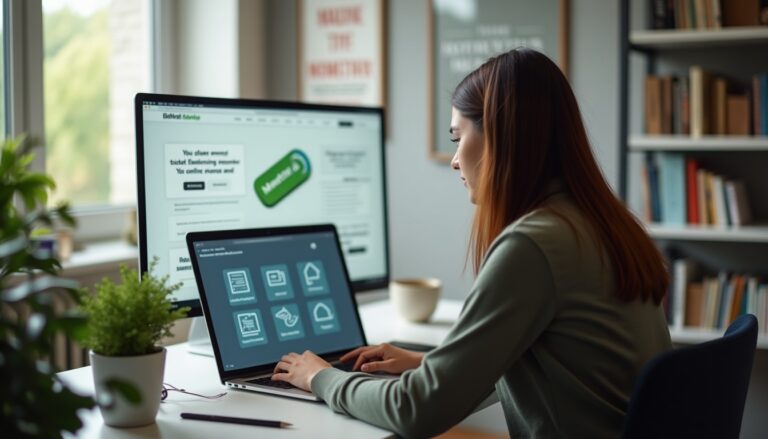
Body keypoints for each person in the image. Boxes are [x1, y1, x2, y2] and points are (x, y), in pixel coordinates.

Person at [272, 48, 672, 438]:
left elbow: (417, 410)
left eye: (457, 137)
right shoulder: (600, 224)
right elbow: (554, 359)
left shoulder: (534, 246)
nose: (454, 160)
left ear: (501, 137)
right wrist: (429, 364)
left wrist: (321, 378)